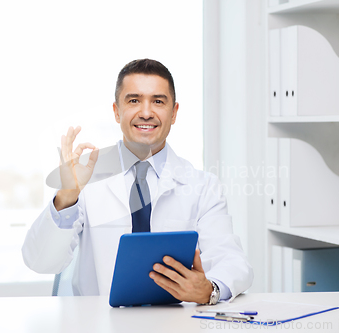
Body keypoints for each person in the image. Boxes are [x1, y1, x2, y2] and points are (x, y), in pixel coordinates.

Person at [22, 59, 253, 304]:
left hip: (176, 325)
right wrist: (67, 196)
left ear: (174, 113)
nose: (145, 112)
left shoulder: (202, 186)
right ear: (116, 111)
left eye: (158, 101)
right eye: (134, 100)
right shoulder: (85, 180)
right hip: (100, 324)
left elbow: (232, 261)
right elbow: (40, 260)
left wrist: (210, 291)